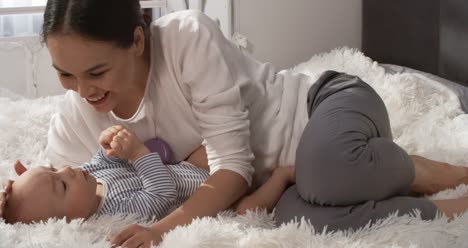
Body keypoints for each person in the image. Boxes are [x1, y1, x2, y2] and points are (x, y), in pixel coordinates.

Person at [2, 0, 468, 246]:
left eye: (96, 71)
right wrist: (13, 197)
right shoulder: (74, 117)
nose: (83, 92)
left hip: (325, 105)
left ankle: (434, 170)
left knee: (327, 175)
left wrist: (158, 232)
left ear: (138, 41)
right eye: (64, 74)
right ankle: (450, 206)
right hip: (287, 178)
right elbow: (51, 199)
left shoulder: (186, 38)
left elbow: (233, 168)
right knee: (311, 220)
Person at [0, 125, 295, 224]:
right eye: (61, 185)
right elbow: (160, 194)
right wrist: (139, 154)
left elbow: (103, 159)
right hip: (215, 203)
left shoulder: (87, 176)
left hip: (192, 170)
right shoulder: (116, 212)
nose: (68, 170)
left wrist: (110, 143)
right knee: (246, 210)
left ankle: (265, 147)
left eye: (54, 169)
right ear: (70, 223)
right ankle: (280, 176)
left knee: (217, 147)